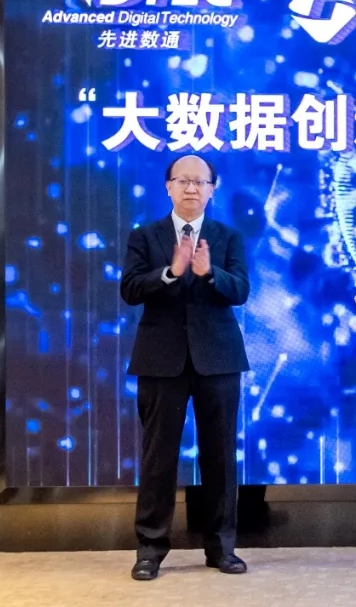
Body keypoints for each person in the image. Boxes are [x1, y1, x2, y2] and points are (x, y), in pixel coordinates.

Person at [120, 155, 251, 581]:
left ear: (213, 189)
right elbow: (130, 289)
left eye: (200, 181)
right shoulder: (145, 235)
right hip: (161, 360)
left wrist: (210, 274)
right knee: (158, 459)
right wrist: (171, 272)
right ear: (168, 187)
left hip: (218, 359)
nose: (191, 188)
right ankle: (149, 550)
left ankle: (222, 548)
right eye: (183, 181)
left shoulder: (228, 236)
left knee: (220, 457)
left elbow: (241, 290)